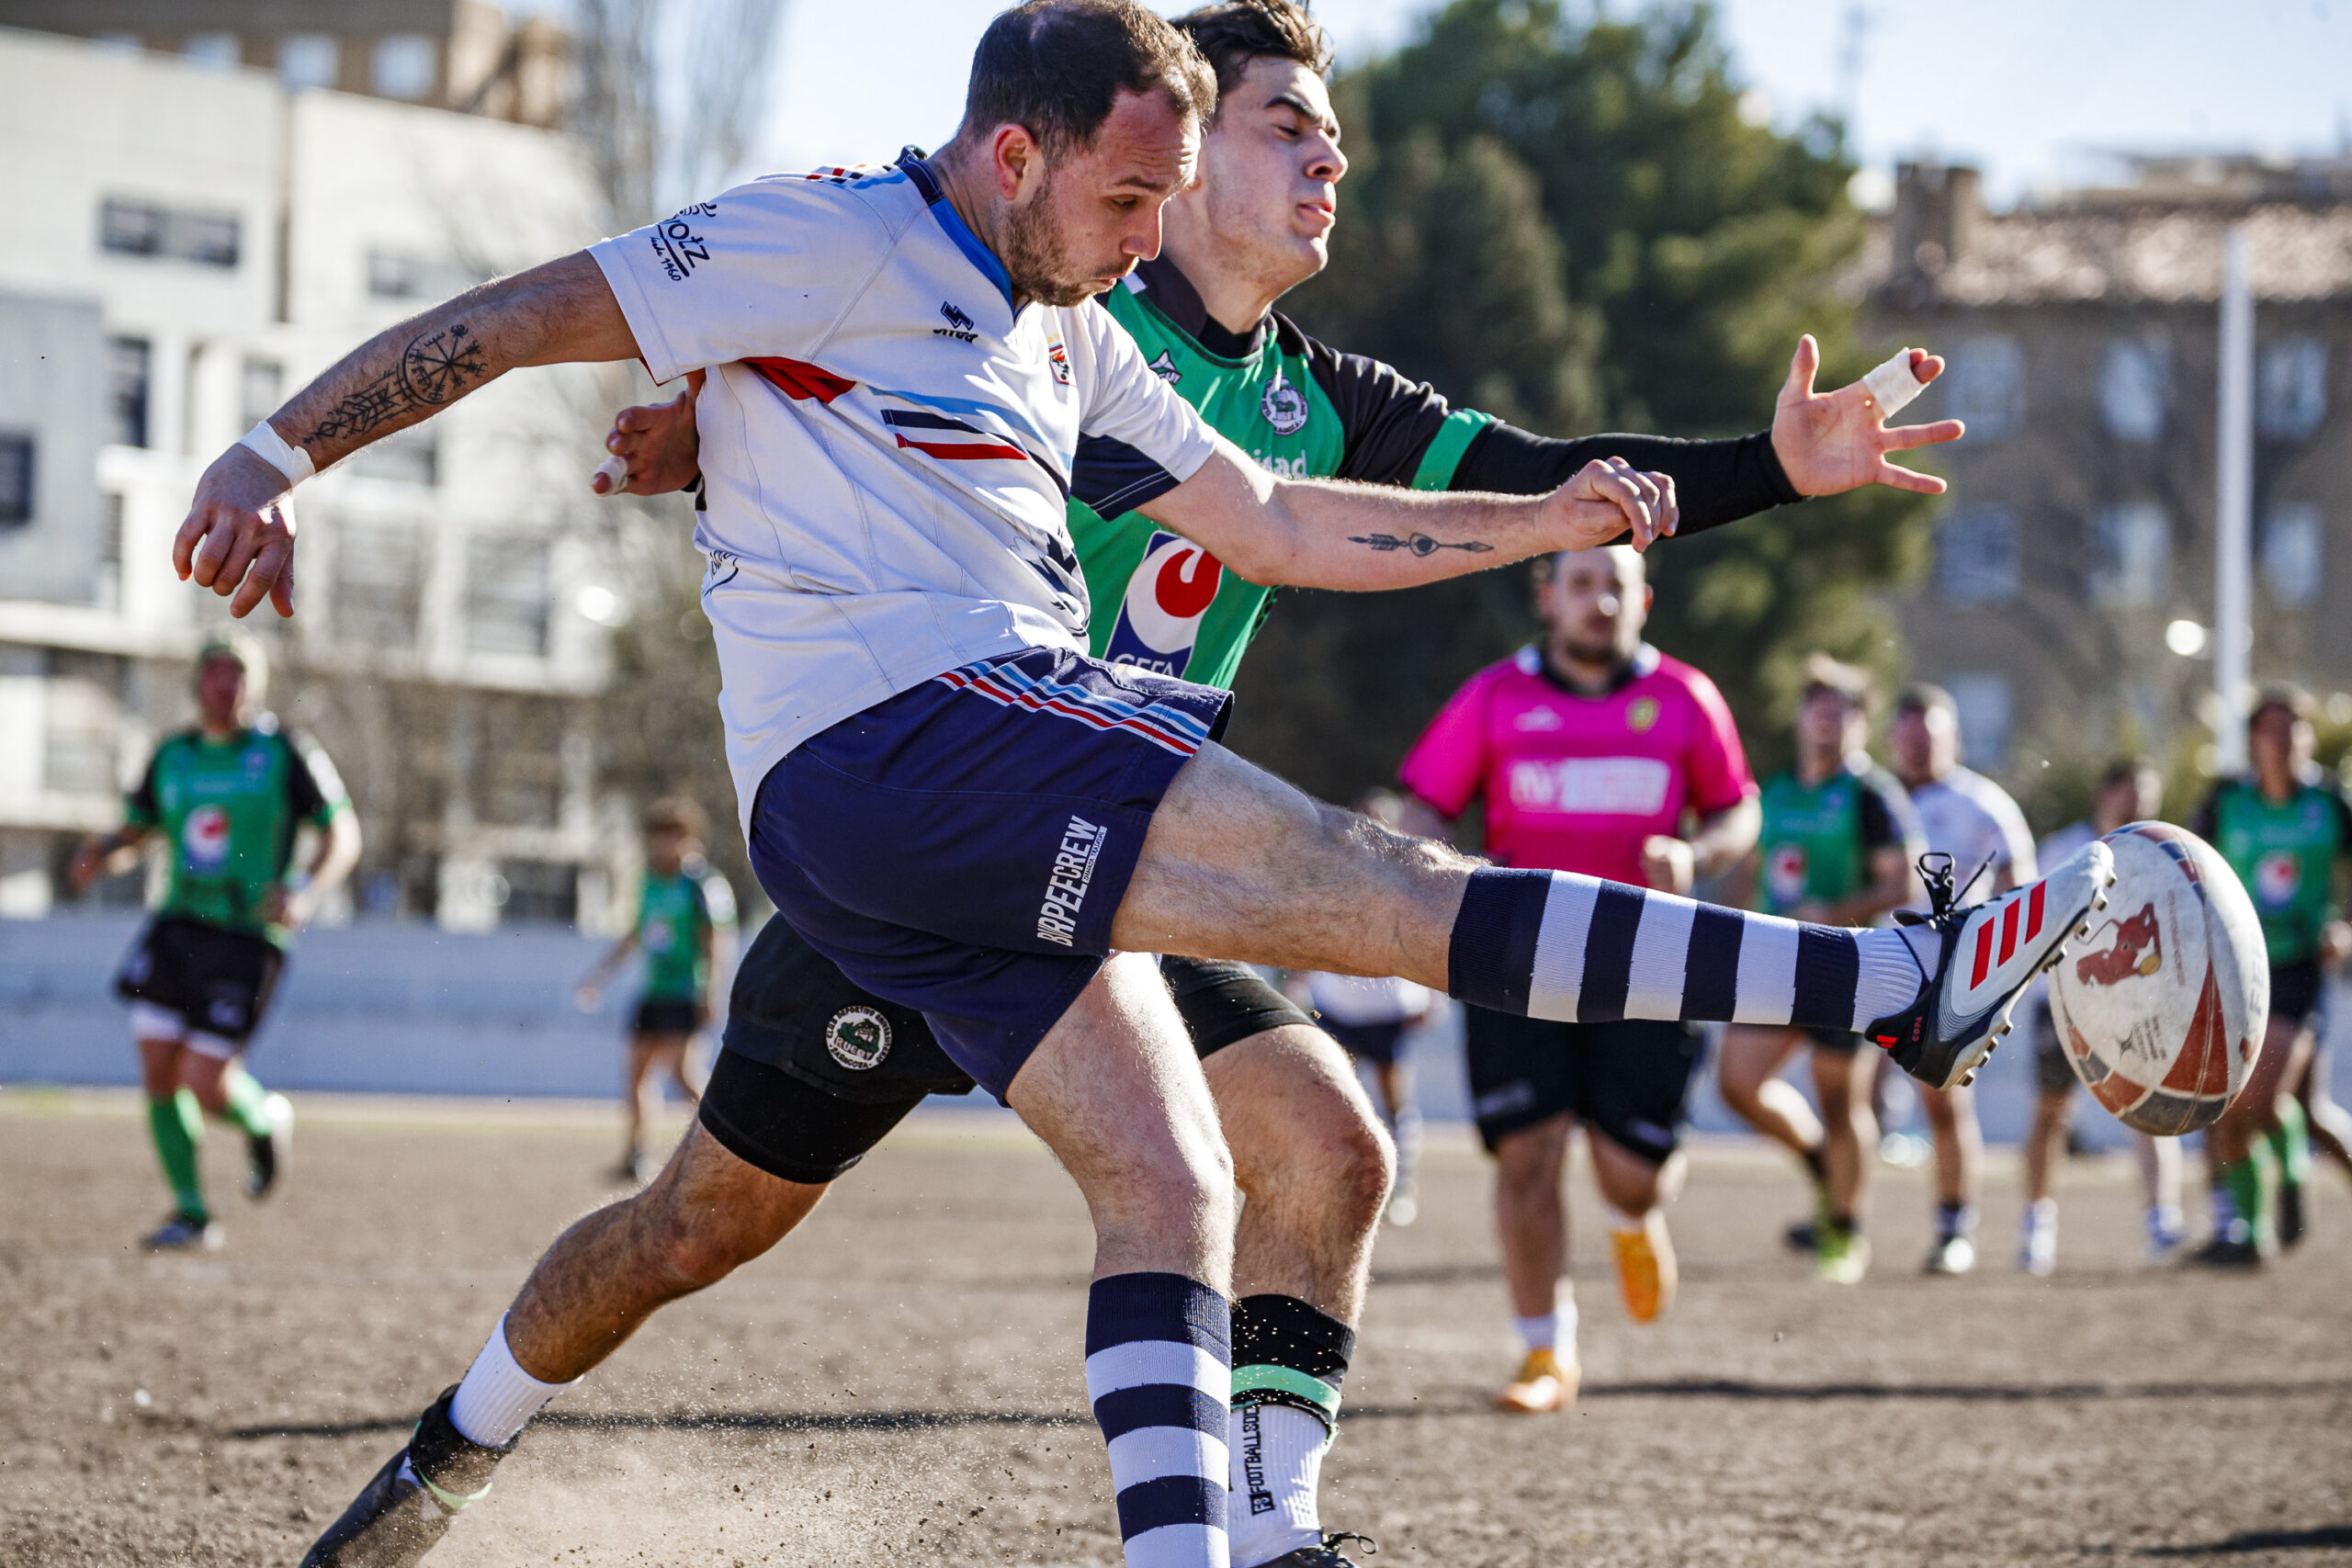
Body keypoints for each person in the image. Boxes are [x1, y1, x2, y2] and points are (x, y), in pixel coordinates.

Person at [171, 6, 2107, 1562]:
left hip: (986, 809)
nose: (1139, 237)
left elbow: (1269, 521)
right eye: (1129, 194)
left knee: (1165, 1175)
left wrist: (1561, 513)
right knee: (1386, 888)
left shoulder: (1076, 328)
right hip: (926, 753)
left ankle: (443, 1466)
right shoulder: (832, 235)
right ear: (1020, 156)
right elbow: (518, 317)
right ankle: (1887, 990)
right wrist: (270, 452)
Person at [1396, 542, 1758, 1412]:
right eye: (1582, 584)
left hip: (1649, 959)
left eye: (1615, 586)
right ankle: (1543, 1353)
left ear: (1644, 600)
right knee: (1527, 1153)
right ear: (1547, 597)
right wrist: (1444, 873)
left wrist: (1698, 853)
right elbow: (1423, 807)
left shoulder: (1685, 698)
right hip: (1518, 957)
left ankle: (1635, 1218)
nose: (1599, 601)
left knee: (1625, 1172)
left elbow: (1738, 809)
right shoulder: (1493, 697)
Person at [66, 630, 359, 1249]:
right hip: (176, 927)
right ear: (197, 682)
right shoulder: (173, 754)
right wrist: (99, 855)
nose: (226, 685)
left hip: (248, 936)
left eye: (238, 674)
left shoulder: (285, 751)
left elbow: (343, 830)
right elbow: (137, 831)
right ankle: (192, 1212)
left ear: (254, 685)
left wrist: (305, 889)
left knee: (204, 1078)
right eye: (215, 672)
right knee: (156, 1064)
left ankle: (264, 1116)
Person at [1717, 655, 1922, 1285]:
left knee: (1841, 1102)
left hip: (1849, 967)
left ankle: (1845, 1229)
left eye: (1842, 713)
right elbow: (1749, 872)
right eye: (1819, 710)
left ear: (1861, 723)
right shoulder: (1774, 790)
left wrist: (1831, 910)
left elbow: (1903, 883)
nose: (1828, 724)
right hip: (1776, 961)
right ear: (1802, 717)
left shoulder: (1871, 795)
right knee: (1736, 1083)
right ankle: (1818, 1165)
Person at [2188, 685, 2352, 1267]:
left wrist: (2345, 927)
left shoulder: (2330, 802)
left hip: (2301, 972)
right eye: (2272, 730)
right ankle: (2251, 1236)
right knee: (2290, 1114)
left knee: (2252, 1100)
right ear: (2254, 741)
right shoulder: (2227, 801)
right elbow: (2184, 866)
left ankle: (2289, 1183)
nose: (2284, 742)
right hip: (2237, 971)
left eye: (2295, 730)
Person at [1890, 682, 2038, 1275]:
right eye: (1909, 736)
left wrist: (1996, 958)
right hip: (1875, 964)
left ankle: (1955, 1228)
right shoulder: (1881, 799)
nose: (1920, 748)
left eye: (1930, 735)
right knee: (1839, 1094)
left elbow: (2019, 883)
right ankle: (1837, 1219)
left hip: (1951, 978)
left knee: (1943, 1104)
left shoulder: (1984, 803)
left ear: (1953, 737)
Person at [2016, 756, 2184, 1274]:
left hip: (2137, 1005)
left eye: (2148, 798)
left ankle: (2163, 1220)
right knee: (2052, 1112)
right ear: (2104, 795)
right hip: (2065, 1004)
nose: (2140, 807)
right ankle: (2036, 1226)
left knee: (2148, 1113)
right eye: (2131, 795)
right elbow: (2033, 920)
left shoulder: (2166, 852)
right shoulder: (2068, 849)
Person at [574, 796, 738, 1180]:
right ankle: (636, 1155)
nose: (664, 844)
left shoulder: (702, 884)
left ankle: (729, 1148)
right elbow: (635, 933)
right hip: (654, 992)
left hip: (686, 993)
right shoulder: (649, 881)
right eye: (658, 836)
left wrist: (710, 991)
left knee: (683, 1075)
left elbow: (717, 939)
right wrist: (599, 977)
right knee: (637, 1074)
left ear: (689, 838)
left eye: (672, 836)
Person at [1296, 795, 1434, 1229]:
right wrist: (1298, 984)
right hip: (1337, 1007)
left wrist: (1431, 997)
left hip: (1389, 1010)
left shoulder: (1414, 876)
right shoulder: (1331, 873)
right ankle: (1332, 1184)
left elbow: (1429, 941)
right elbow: (1310, 931)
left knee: (1397, 1102)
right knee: (1334, 1095)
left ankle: (1403, 1185)